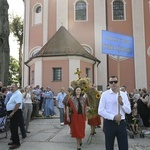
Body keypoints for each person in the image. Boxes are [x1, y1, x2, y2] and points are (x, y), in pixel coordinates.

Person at [98, 76, 131, 150]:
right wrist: (113, 117)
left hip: (121, 123)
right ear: (109, 84)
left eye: (115, 82)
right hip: (109, 123)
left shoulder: (123, 94)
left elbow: (129, 111)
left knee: (124, 147)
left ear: (118, 83)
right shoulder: (105, 94)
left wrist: (121, 103)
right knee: (109, 147)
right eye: (111, 82)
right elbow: (100, 110)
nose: (113, 84)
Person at [6, 83, 23, 149]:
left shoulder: (18, 94)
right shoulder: (15, 93)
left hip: (15, 112)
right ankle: (13, 140)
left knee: (14, 127)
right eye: (10, 87)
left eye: (12, 87)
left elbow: (18, 103)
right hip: (13, 112)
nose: (11, 88)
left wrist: (13, 112)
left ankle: (16, 143)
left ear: (16, 87)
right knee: (12, 127)